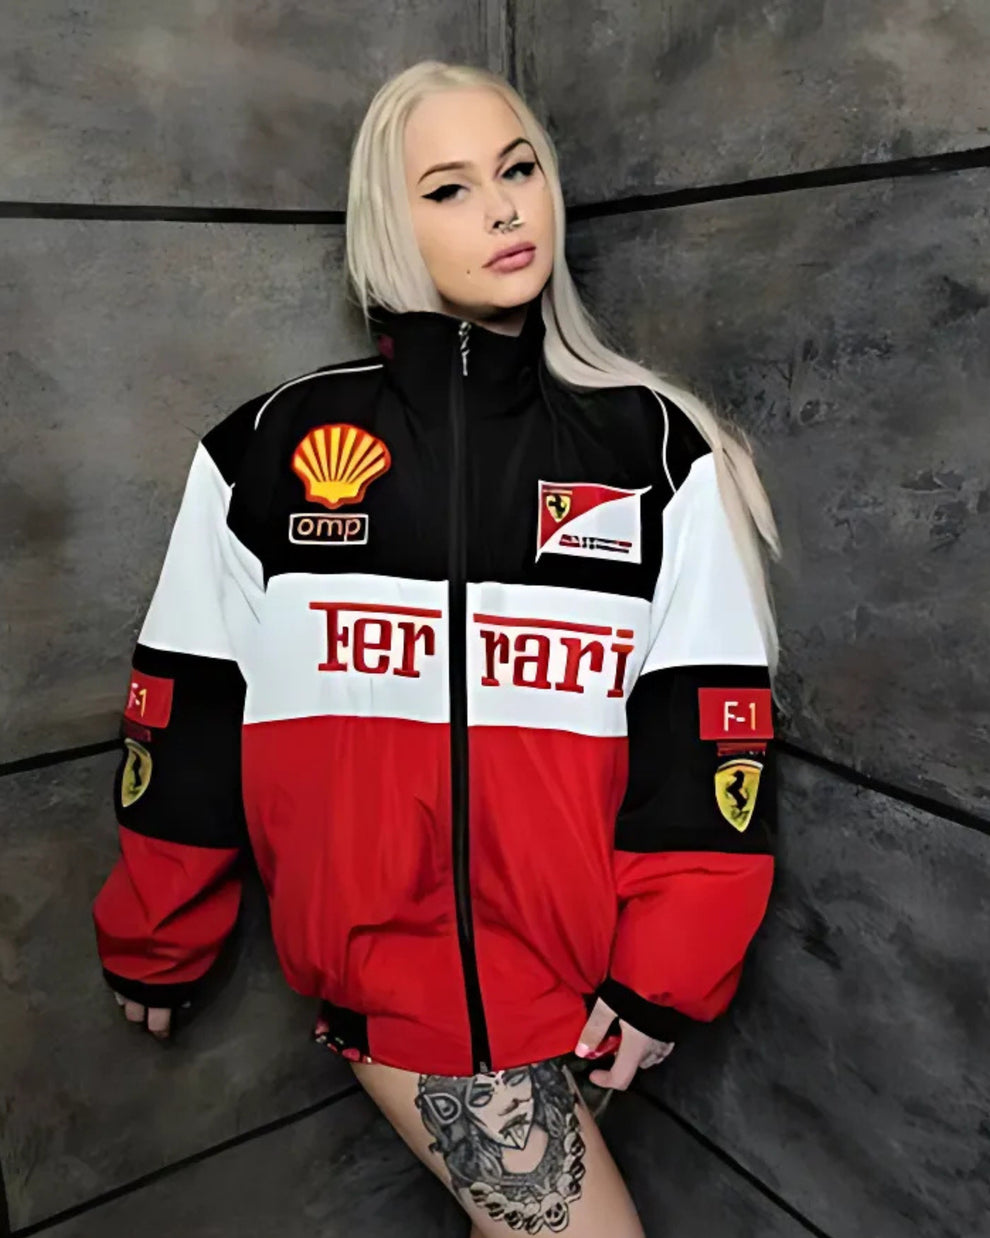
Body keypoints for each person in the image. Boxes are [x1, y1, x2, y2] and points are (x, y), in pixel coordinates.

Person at [92, 60, 782, 1238]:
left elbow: (710, 730)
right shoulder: (269, 449)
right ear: (388, 222)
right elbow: (188, 707)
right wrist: (159, 934)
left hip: (590, 987)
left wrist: (666, 966)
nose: (504, 209)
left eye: (518, 170)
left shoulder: (656, 450)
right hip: (400, 987)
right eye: (450, 188)